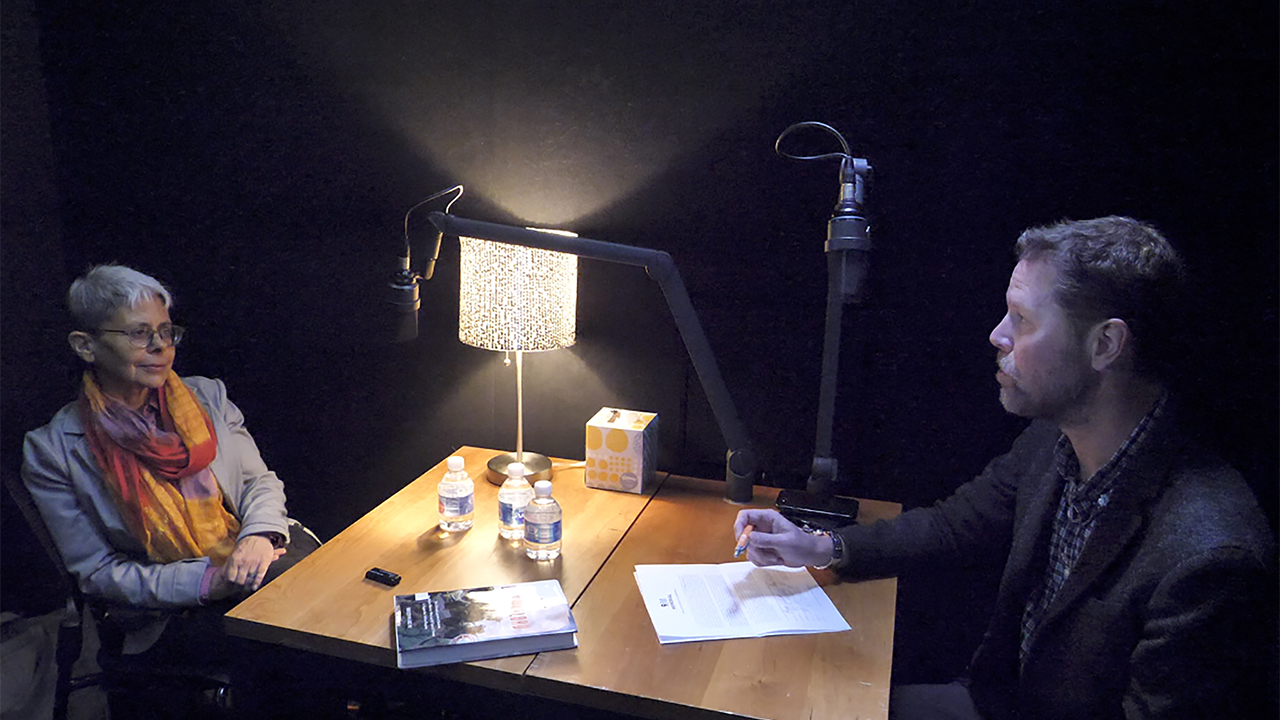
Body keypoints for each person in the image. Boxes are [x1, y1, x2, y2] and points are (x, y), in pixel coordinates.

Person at [733, 217, 1275, 719]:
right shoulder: (1055, 440)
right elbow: (954, 525)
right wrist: (821, 546)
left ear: (1105, 344)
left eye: (1022, 319)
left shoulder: (1210, 559)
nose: (998, 335)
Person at [21, 264, 319, 709]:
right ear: (86, 346)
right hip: (166, 614)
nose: (160, 347)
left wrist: (258, 536)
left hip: (257, 560)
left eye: (166, 331)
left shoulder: (207, 399)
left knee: (325, 602)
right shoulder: (52, 451)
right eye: (140, 334)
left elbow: (260, 483)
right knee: (295, 629)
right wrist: (209, 582)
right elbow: (99, 573)